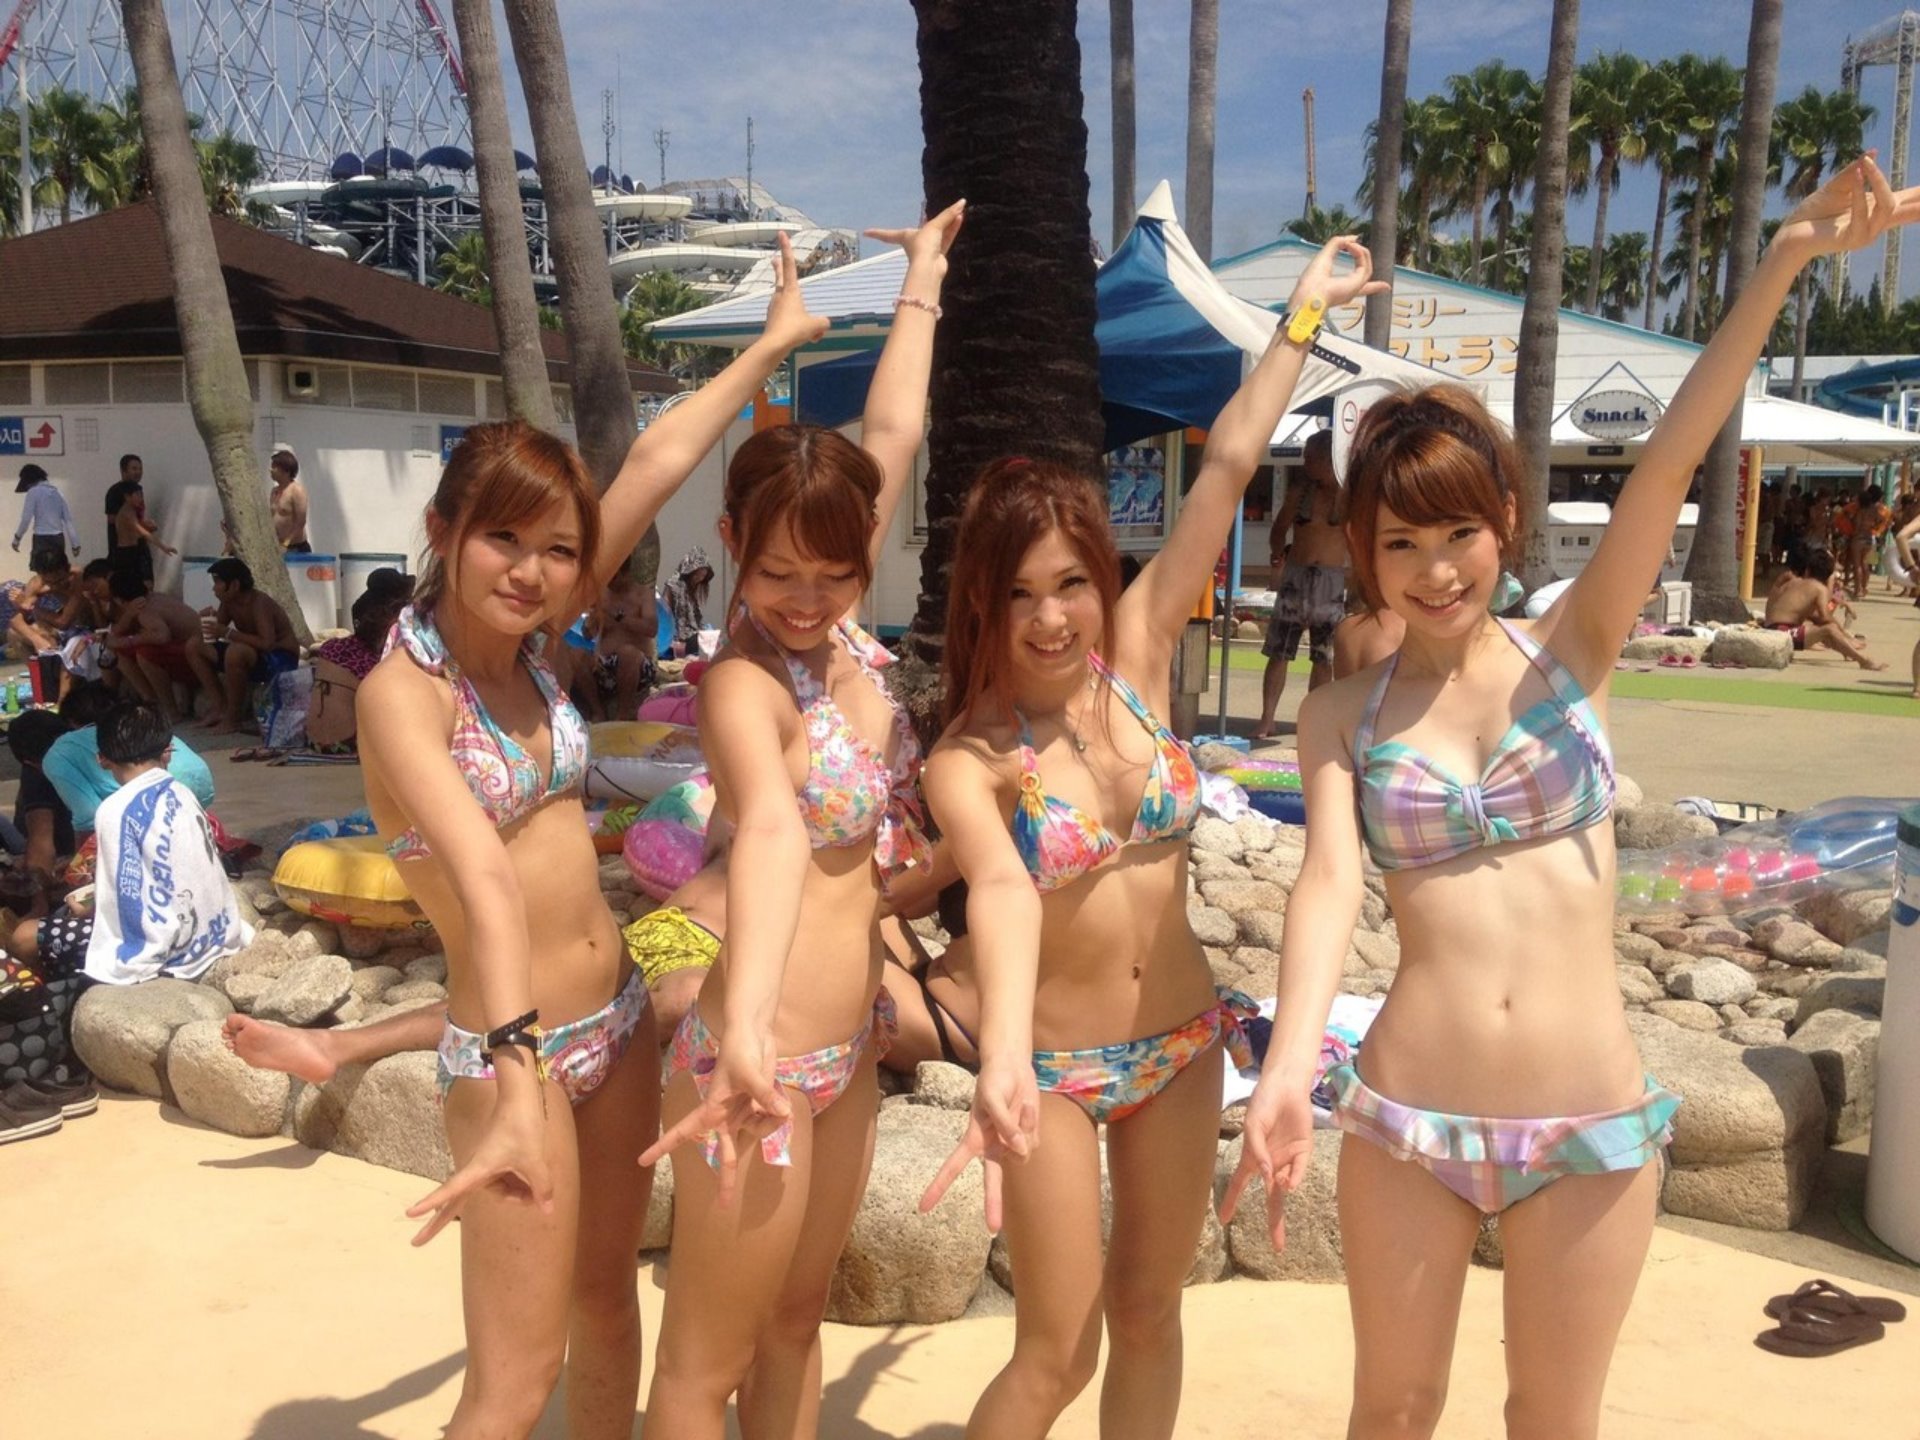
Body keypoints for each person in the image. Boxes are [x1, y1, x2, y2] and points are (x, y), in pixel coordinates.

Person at [1220, 157, 1920, 1440]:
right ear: (1363, 551)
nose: (1436, 570)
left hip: (1590, 1117)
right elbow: (1325, 888)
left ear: (1505, 521)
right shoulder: (1343, 714)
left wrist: (1782, 264)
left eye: (1459, 534)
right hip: (1408, 1116)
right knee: (1392, 1410)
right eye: (1400, 542)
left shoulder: (1576, 648)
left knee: (1553, 1418)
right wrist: (1282, 1071)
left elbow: (1674, 456)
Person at [351, 230, 837, 1440]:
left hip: (615, 1022)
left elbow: (657, 462)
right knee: (514, 1384)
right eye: (503, 539)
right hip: (507, 1047)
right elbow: (482, 879)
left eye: (558, 551)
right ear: (443, 529)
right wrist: (519, 1079)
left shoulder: (530, 647)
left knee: (610, 1309)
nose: (532, 572)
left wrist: (767, 348)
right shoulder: (402, 696)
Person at [917, 236, 1386, 1440]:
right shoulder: (969, 757)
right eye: (1018, 593)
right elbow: (998, 894)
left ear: (1100, 576)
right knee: (1055, 1352)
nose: (1050, 618)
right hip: (1052, 1071)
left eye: (1069, 583)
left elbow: (1226, 465)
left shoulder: (1137, 653)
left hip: (1182, 1044)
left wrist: (1299, 321)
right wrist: (1001, 1058)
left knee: (1151, 1314)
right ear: (981, 600)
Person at [636, 200, 960, 1440]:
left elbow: (892, 430)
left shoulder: (847, 637)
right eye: (776, 574)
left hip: (847, 1051)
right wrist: (745, 1029)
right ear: (732, 545)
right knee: (701, 1362)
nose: (808, 598)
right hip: (754, 1052)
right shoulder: (742, 682)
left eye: (835, 574)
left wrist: (922, 280)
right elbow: (770, 834)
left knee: (795, 1321)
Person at [1255, 429, 1347, 738]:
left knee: (1324, 657)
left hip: (1331, 579)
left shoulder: (1348, 496)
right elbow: (1279, 528)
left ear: (1328, 459)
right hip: (1297, 576)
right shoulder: (1300, 492)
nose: (1305, 463)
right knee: (1279, 651)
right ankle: (1267, 718)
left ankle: (1313, 722)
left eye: (1311, 457)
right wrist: (1277, 557)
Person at [41, 682, 217, 837]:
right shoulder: (141, 723)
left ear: (103, 759)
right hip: (201, 788)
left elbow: (88, 817)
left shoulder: (59, 752)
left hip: (150, 802)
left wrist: (80, 861)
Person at [186, 558, 300, 732]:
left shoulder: (260, 603)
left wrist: (228, 633)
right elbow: (214, 634)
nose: (214, 588)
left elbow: (268, 643)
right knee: (194, 645)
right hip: (254, 654)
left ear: (234, 585)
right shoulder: (228, 602)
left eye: (218, 582)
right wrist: (204, 621)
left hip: (278, 658)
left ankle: (234, 718)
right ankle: (219, 708)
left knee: (236, 651)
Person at [102, 569, 211, 724]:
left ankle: (171, 712)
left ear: (118, 600)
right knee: (121, 650)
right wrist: (128, 617)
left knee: (146, 654)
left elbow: (162, 636)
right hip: (187, 649)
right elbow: (116, 634)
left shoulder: (146, 608)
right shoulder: (147, 601)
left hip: (196, 656)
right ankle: (150, 701)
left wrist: (128, 641)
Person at [1762, 545, 1887, 671]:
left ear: (1807, 570)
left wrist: (1844, 637)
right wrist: (1845, 635)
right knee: (1829, 629)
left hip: (1772, 628)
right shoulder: (1819, 588)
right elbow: (1825, 617)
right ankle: (1863, 660)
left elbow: (1816, 617)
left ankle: (1848, 651)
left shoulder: (1793, 582)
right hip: (1782, 631)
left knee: (1826, 630)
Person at [585, 569, 658, 721]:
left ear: (626, 573)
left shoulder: (643, 594)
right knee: (572, 653)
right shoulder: (603, 595)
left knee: (628, 652)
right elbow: (588, 634)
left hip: (637, 665)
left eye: (614, 577)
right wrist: (591, 622)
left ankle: (623, 712)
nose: (610, 582)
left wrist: (617, 615)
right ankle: (597, 710)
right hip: (604, 664)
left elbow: (651, 629)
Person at [109, 478, 177, 590]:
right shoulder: (126, 513)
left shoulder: (131, 511)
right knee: (132, 586)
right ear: (127, 496)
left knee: (142, 584)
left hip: (133, 550)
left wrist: (148, 526)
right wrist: (164, 547)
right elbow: (143, 532)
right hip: (126, 554)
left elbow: (135, 533)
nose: (140, 498)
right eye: (137, 495)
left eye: (141, 495)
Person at [12, 463, 80, 575]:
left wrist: (17, 538)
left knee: (41, 573)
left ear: (29, 480)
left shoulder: (33, 492)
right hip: (58, 538)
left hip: (41, 539)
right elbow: (68, 521)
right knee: (58, 571)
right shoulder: (58, 493)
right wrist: (75, 544)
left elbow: (26, 519)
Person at [660, 546, 715, 659]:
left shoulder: (691, 590)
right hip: (676, 639)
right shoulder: (673, 586)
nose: (699, 579)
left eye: (703, 576)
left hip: (691, 637)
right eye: (697, 575)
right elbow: (664, 612)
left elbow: (695, 619)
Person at [269, 448, 311, 553]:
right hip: (279, 546)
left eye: (274, 467)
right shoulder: (274, 491)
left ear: (286, 471)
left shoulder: (296, 490)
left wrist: (286, 543)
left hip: (296, 548)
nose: (271, 470)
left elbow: (300, 522)